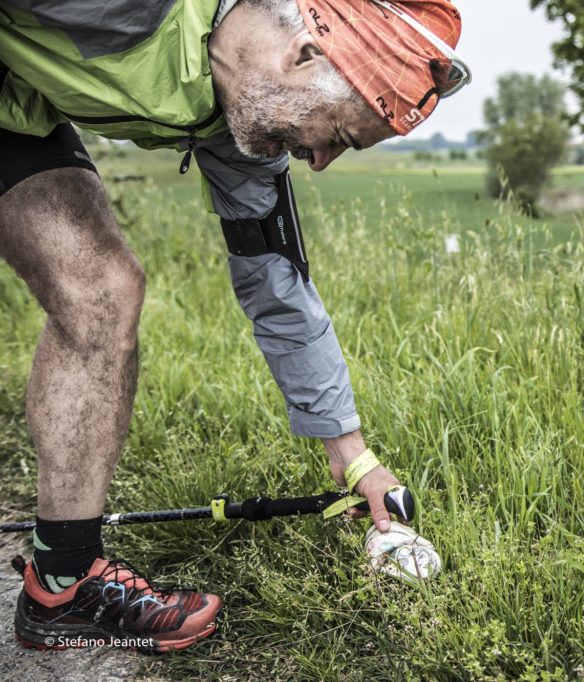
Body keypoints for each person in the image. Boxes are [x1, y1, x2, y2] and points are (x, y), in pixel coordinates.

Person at [0, 0, 468, 652]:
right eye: (338, 133)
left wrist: (354, 457)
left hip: (15, 114)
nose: (319, 161)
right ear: (302, 54)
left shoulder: (241, 129)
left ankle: (62, 584)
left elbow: (280, 287)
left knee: (103, 292)